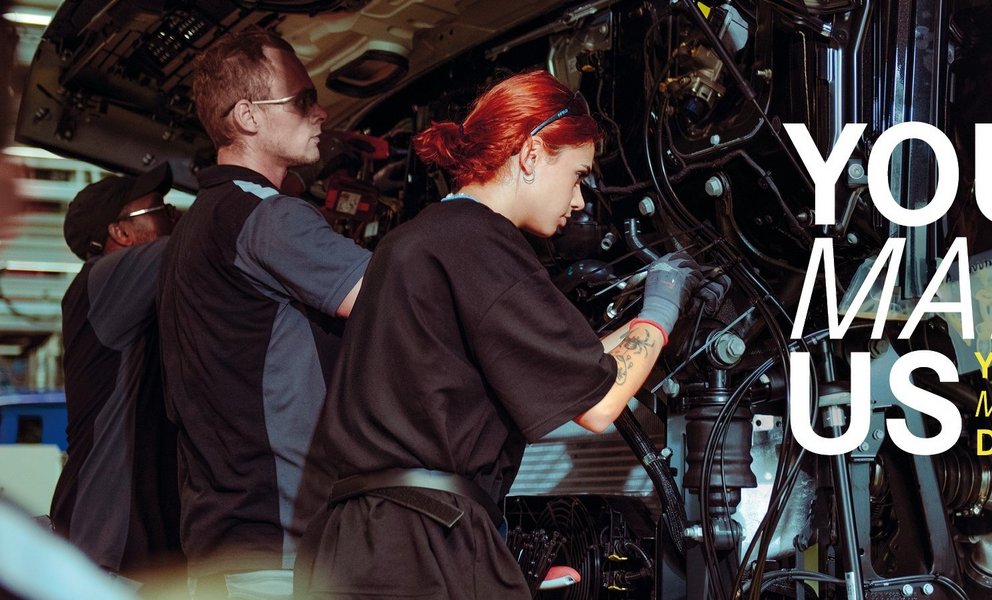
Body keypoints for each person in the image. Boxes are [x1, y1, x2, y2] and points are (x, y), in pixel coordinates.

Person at [294, 70, 724, 599]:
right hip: (423, 547)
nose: (579, 200)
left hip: (352, 545)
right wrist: (661, 308)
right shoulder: (482, 242)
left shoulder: (419, 240)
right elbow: (600, 404)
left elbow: (571, 366)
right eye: (577, 175)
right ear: (532, 154)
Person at [156, 27, 371, 600]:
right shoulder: (269, 217)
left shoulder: (199, 223)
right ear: (248, 116)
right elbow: (404, 301)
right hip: (278, 553)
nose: (320, 112)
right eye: (303, 100)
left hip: (226, 547)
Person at [51, 164, 182, 595]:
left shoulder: (134, 294)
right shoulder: (105, 277)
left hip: (135, 547)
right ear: (121, 233)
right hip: (109, 545)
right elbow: (201, 240)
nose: (174, 214)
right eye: (159, 209)